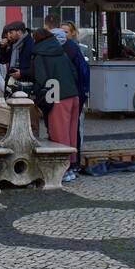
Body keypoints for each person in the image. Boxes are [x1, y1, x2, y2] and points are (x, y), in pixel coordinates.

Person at [32, 27, 81, 180]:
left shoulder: (40, 55)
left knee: (60, 134)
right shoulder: (62, 52)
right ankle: (72, 167)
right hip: (73, 95)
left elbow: (41, 79)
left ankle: (62, 170)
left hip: (57, 95)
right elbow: (74, 72)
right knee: (71, 132)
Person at [59, 24, 91, 180]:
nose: (62, 34)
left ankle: (75, 161)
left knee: (75, 129)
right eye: (61, 31)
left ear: (72, 33)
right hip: (72, 93)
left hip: (76, 93)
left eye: (65, 32)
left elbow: (83, 71)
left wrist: (83, 92)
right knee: (71, 129)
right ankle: (73, 161)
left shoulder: (75, 49)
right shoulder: (64, 48)